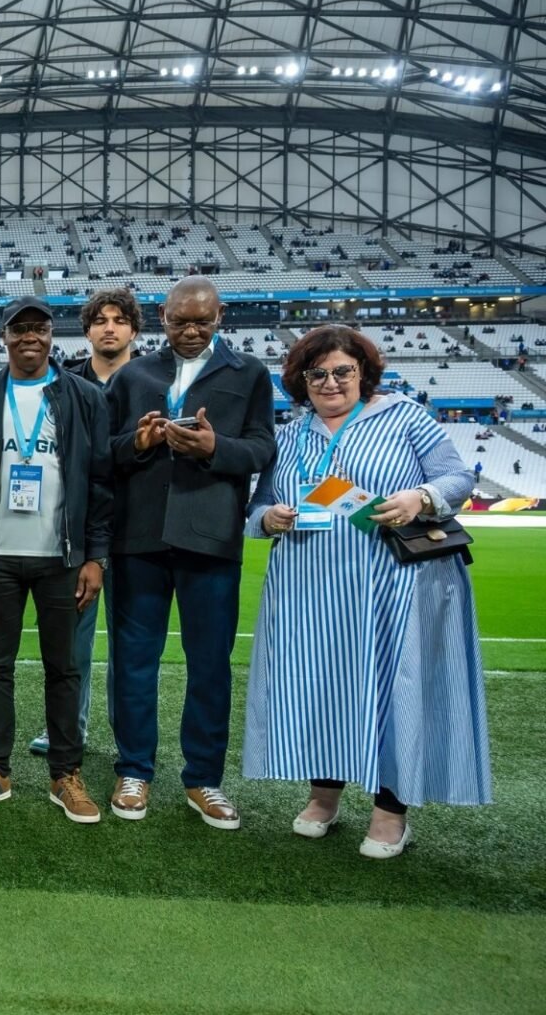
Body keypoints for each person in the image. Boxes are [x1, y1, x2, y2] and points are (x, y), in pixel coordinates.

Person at [244, 325, 489, 859]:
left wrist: (419, 495)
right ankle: (324, 796)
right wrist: (270, 518)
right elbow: (257, 506)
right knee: (324, 687)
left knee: (392, 691)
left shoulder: (404, 416)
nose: (330, 383)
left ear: (363, 373)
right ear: (301, 380)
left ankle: (391, 811)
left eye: (342, 371)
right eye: (318, 373)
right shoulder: (289, 435)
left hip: (391, 583)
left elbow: (457, 478)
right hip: (310, 588)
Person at [105, 275, 276, 829]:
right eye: (181, 321)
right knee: (133, 664)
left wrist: (213, 447)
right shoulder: (134, 375)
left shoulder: (248, 373)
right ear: (163, 318)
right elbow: (103, 453)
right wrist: (139, 441)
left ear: (220, 317)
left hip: (210, 540)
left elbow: (261, 449)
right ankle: (134, 771)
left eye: (203, 320)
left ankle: (204, 778)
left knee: (209, 667)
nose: (192, 330)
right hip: (140, 538)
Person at [0, 296, 112, 823]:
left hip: (61, 556)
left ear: (53, 335)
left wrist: (96, 557)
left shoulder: (83, 396)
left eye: (39, 328)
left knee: (63, 669)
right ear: (3, 336)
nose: (30, 336)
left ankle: (65, 773)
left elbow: (99, 482)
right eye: (19, 328)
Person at [27, 288, 140, 756]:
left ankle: (128, 737)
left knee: (130, 643)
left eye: (118, 319)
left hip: (134, 528)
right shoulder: (63, 381)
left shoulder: (153, 380)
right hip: (76, 528)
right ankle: (68, 727)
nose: (109, 327)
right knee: (73, 639)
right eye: (100, 320)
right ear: (87, 329)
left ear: (134, 328)